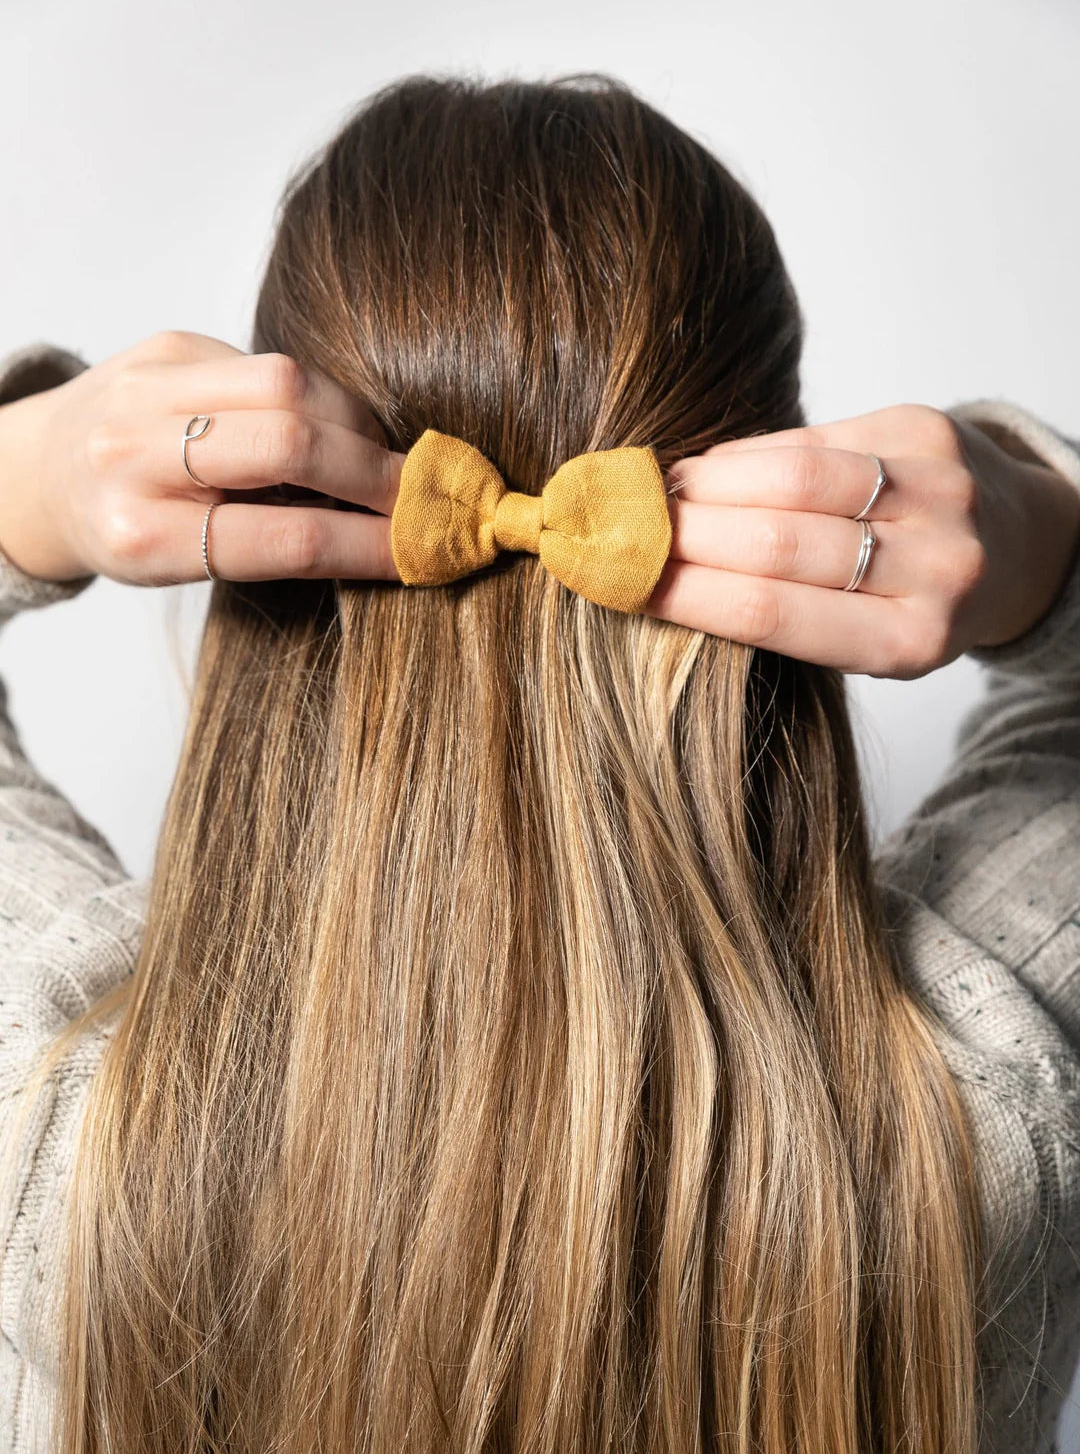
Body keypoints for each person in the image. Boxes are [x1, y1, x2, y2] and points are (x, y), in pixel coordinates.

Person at [0, 72, 1078, 1454]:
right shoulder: (980, 1125)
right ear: (783, 473)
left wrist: (27, 480)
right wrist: (1039, 531)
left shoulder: (54, 1120)